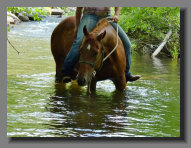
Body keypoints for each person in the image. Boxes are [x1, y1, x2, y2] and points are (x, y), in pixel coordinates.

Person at [62, 7, 141, 83]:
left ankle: (126, 73)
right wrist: (77, 26)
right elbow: (79, 9)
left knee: (127, 44)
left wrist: (116, 15)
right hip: (90, 15)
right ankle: (66, 72)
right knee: (79, 42)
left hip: (107, 16)